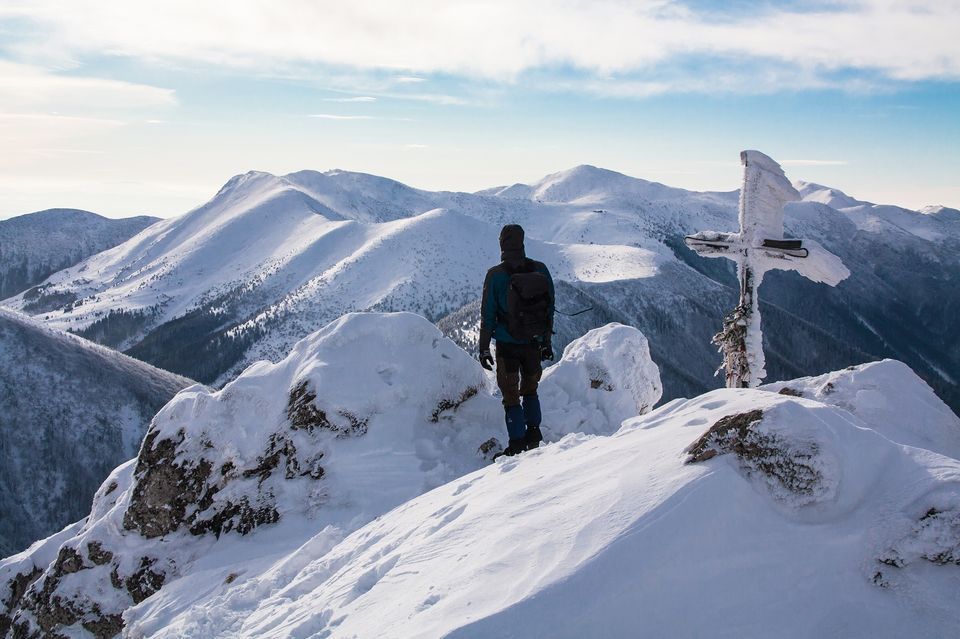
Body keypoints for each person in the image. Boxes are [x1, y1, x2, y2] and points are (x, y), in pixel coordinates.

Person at [478, 224, 555, 457]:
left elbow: (488, 314)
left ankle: (517, 444)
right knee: (531, 390)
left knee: (511, 396)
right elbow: (549, 308)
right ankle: (534, 436)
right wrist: (546, 342)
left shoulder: (496, 275)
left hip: (506, 346)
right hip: (533, 342)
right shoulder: (540, 269)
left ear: (502, 244)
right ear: (522, 242)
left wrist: (483, 348)